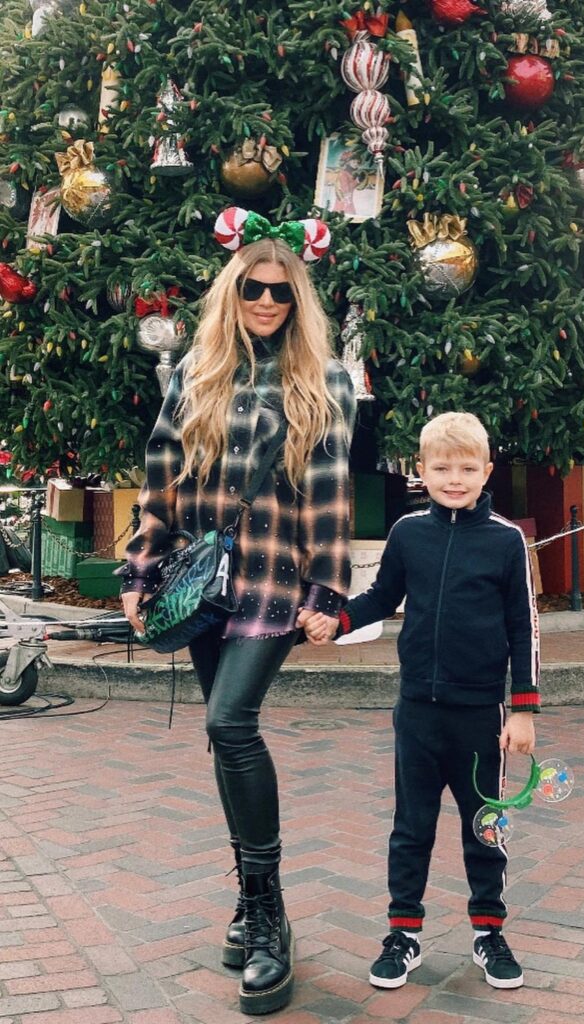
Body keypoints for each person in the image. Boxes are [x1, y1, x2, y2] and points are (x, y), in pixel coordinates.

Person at [119, 208, 355, 1016]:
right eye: (253, 289)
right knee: (225, 737)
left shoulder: (324, 380)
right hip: (203, 581)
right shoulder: (194, 373)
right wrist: (139, 568)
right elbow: (160, 476)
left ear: (297, 302)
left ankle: (269, 918)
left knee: (228, 724)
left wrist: (329, 593)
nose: (265, 302)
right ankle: (256, 905)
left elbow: (328, 494)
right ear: (232, 293)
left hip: (273, 580)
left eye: (280, 294)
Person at [299, 411, 540, 992]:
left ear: (486, 470)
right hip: (418, 710)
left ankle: (489, 930)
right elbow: (384, 594)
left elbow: (523, 626)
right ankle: (402, 934)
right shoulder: (409, 532)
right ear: (422, 471)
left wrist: (524, 708)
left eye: (465, 468)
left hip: (482, 714)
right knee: (412, 826)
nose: (453, 478)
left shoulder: (506, 541)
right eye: (440, 467)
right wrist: (339, 620)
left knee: (484, 824)